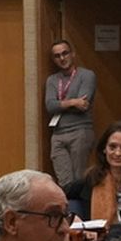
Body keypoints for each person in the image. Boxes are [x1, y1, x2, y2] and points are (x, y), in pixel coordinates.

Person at [43, 40, 96, 189]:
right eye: (57, 56)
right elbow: (50, 106)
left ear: (73, 54)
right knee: (64, 182)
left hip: (80, 131)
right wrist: (73, 102)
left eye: (65, 53)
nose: (62, 58)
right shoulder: (52, 80)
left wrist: (61, 104)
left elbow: (83, 105)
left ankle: (81, 205)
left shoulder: (86, 75)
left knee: (79, 179)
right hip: (58, 134)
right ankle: (68, 205)